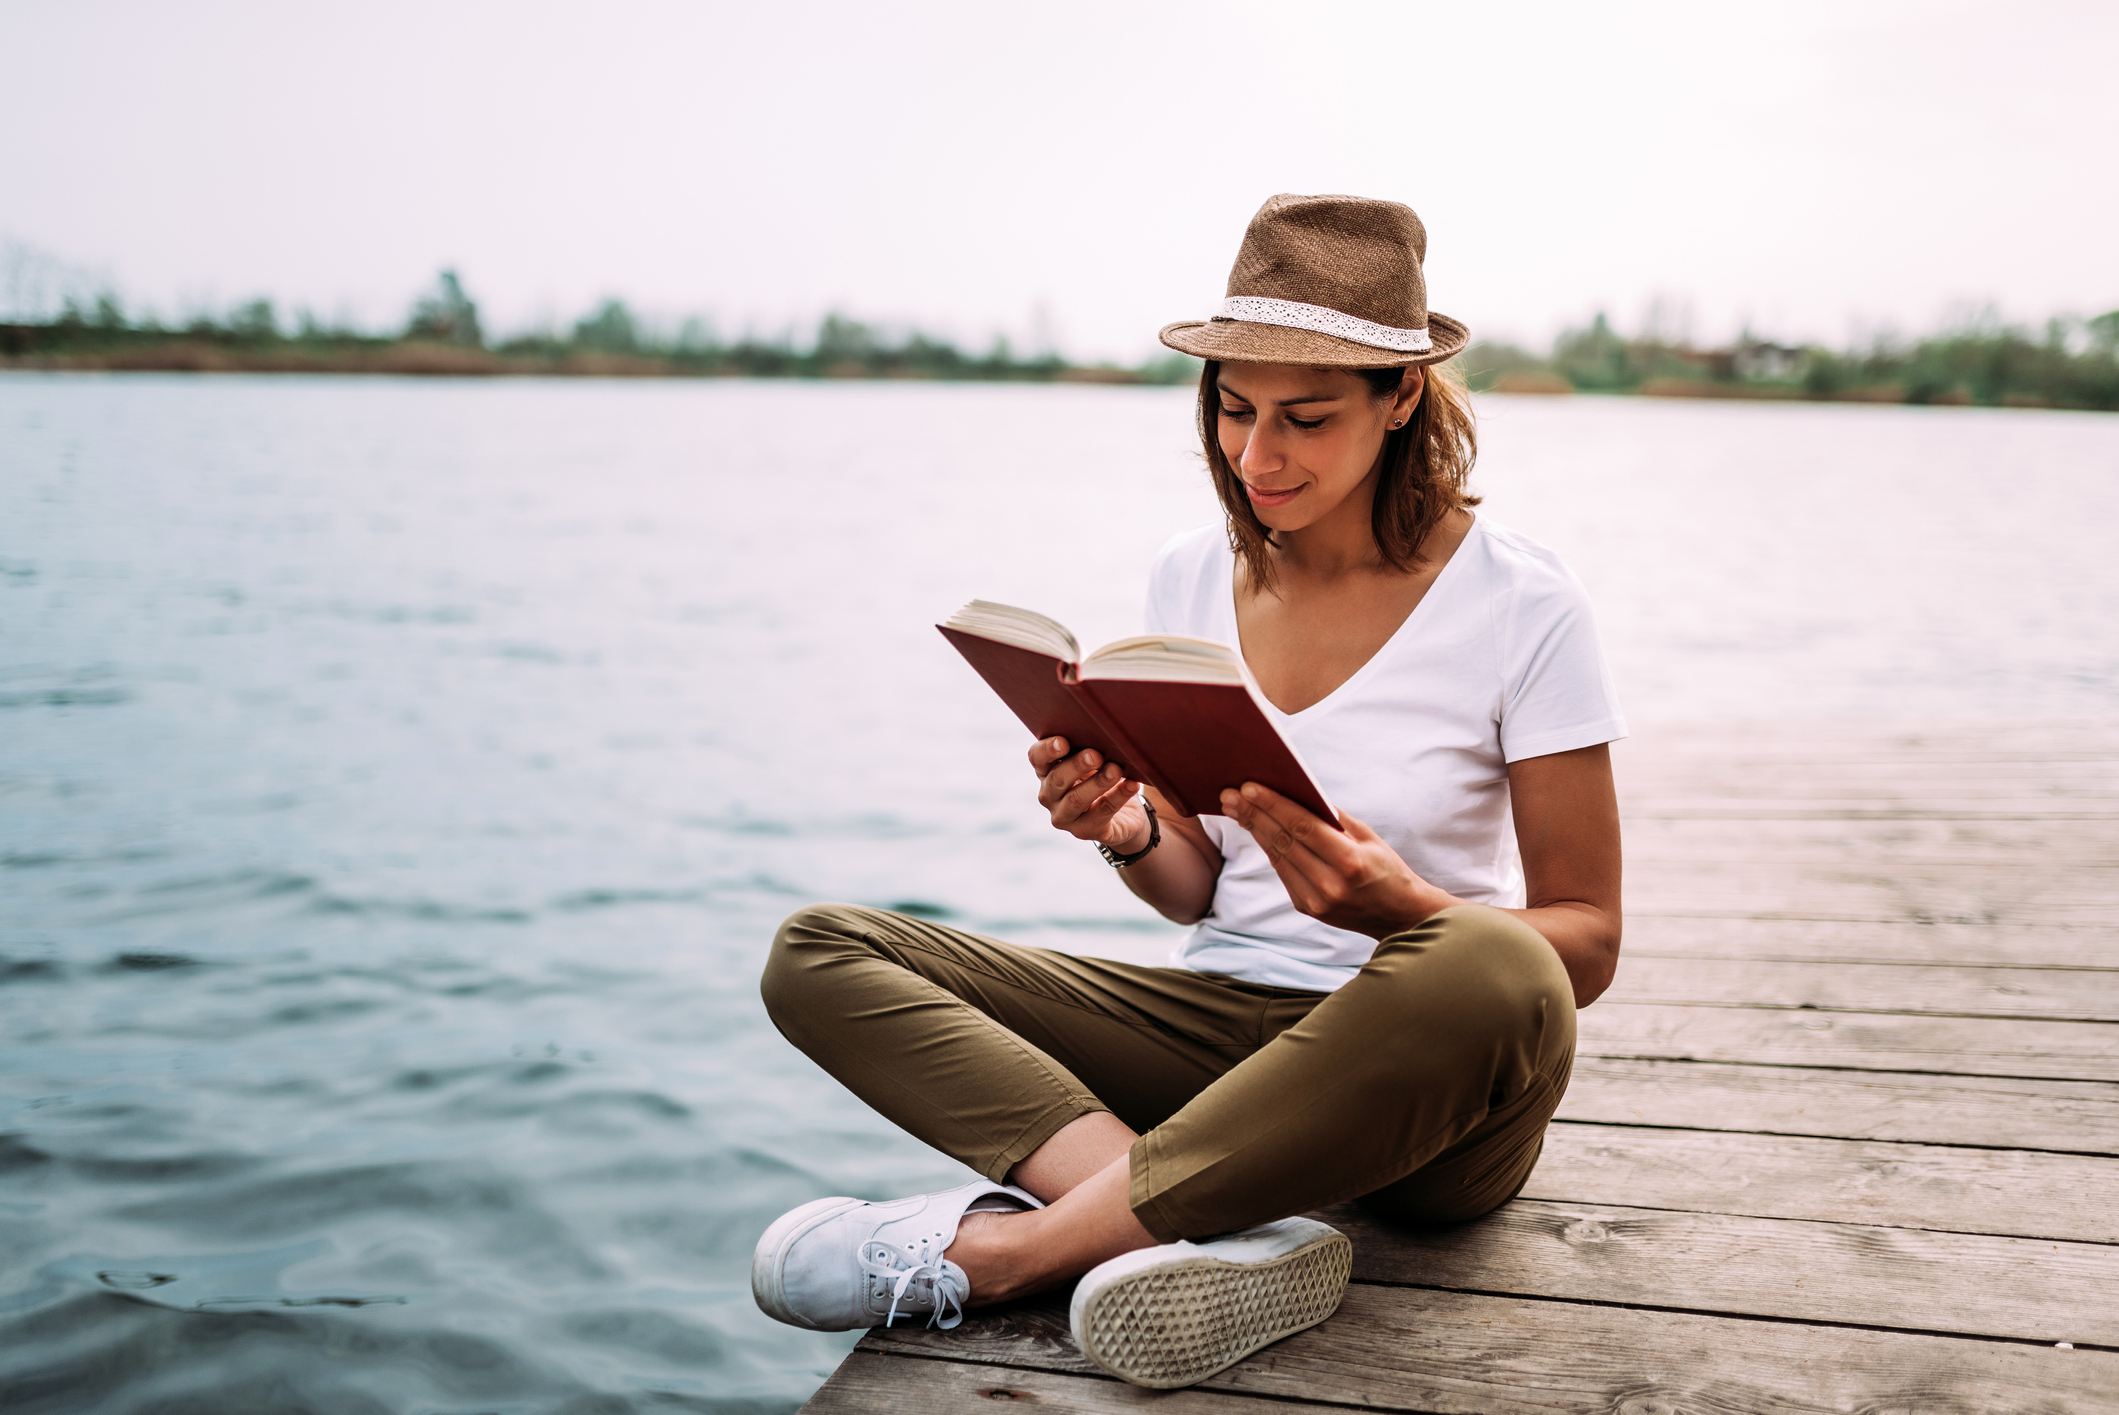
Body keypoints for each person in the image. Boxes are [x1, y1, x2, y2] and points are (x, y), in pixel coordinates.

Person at [750, 194, 1626, 1390]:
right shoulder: (1190, 575)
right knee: (820, 950)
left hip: (1422, 1078)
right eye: (1233, 408)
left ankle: (1016, 1251)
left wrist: (1401, 909)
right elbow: (1198, 892)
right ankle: (1204, 1222)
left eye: (1305, 419)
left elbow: (1584, 943)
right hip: (1219, 1030)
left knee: (1494, 961)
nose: (1256, 456)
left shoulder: (1523, 603)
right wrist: (1126, 829)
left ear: (1402, 396)